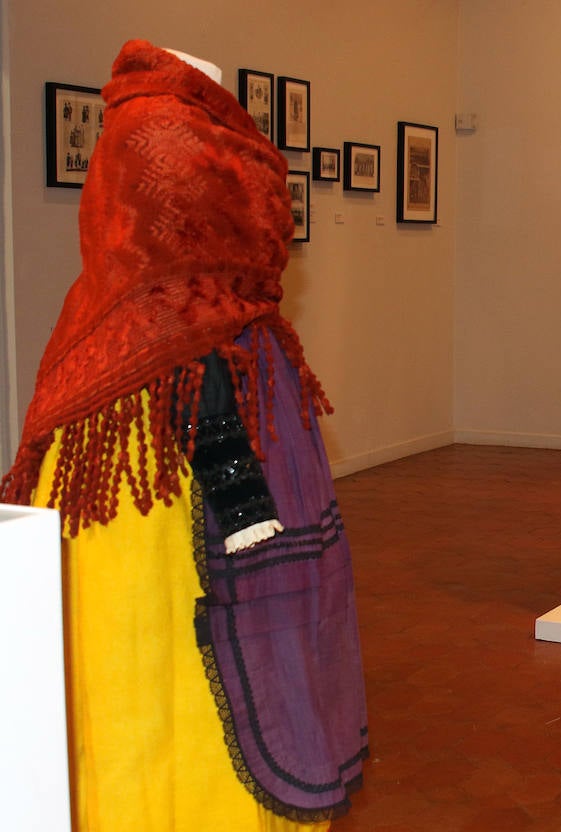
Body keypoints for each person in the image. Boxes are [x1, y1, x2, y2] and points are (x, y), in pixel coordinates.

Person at [1, 41, 367, 830]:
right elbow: (172, 284)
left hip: (236, 383)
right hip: (157, 421)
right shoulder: (151, 127)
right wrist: (227, 460)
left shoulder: (205, 122)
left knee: (249, 628)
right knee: (155, 639)